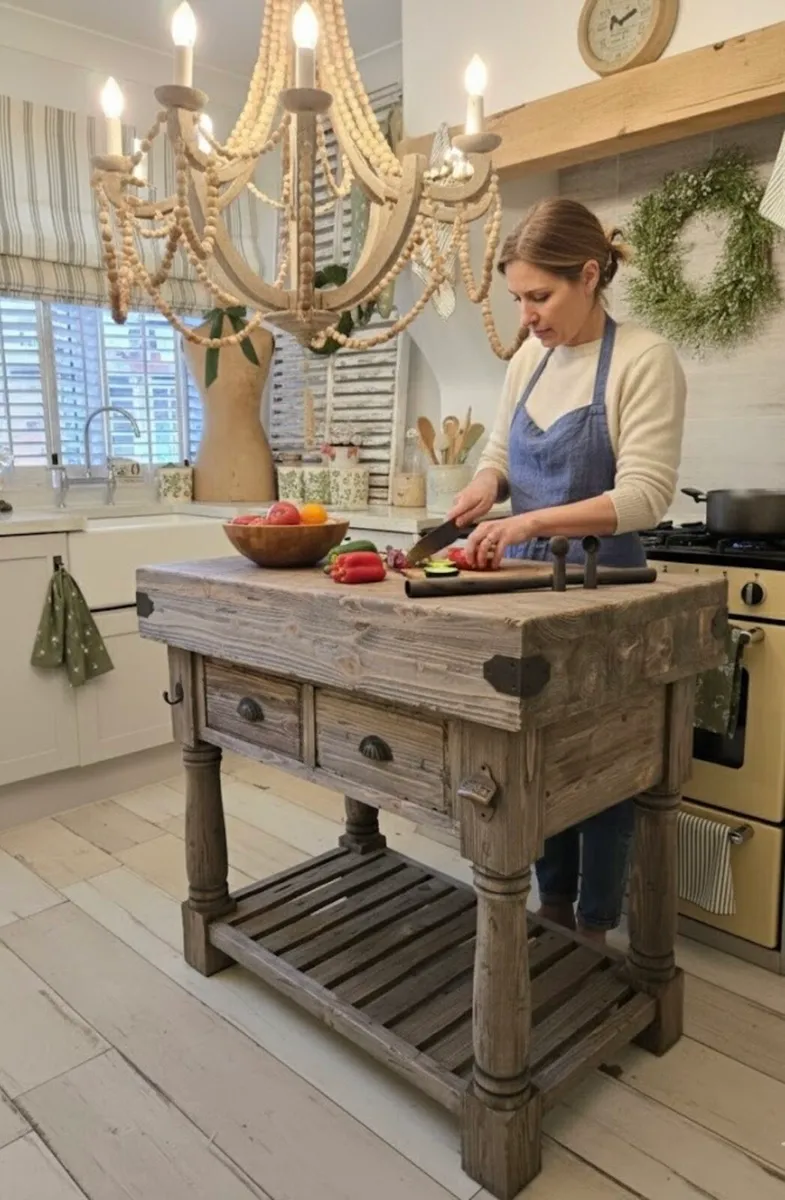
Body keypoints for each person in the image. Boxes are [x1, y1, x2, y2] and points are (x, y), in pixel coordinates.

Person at [448, 197, 687, 944]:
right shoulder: (527, 358)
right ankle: (548, 917)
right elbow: (498, 454)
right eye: (517, 298)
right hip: (521, 592)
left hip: (602, 595)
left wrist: (526, 521)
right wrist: (486, 488)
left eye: (539, 297)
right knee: (534, 766)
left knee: (603, 775)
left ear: (589, 275)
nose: (526, 316)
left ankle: (591, 929)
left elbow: (644, 496)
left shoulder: (644, 359)